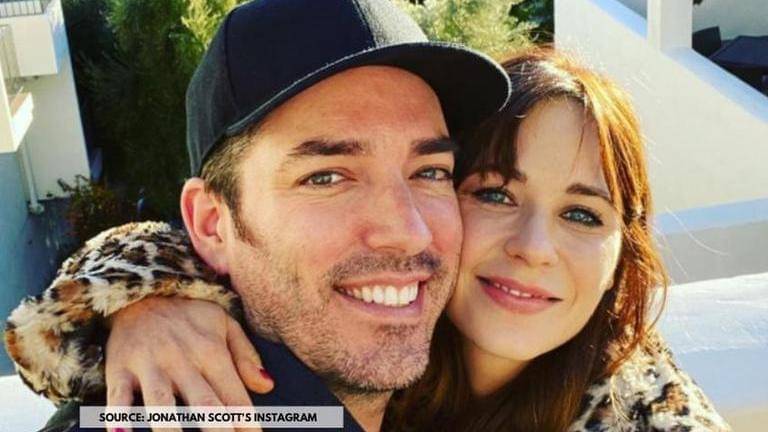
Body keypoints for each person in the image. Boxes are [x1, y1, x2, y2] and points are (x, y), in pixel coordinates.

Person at [6, 47, 731, 431]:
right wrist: (147, 305)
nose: (536, 246)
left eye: (583, 215)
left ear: (624, 252)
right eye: (493, 193)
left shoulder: (643, 412)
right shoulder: (356, 350)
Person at [3, 0, 511, 431]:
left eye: (430, 172)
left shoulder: (462, 383)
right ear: (211, 224)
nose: (409, 232)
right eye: (326, 177)